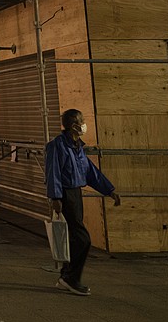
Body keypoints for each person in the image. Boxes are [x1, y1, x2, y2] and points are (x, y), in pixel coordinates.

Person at [44, 108, 121, 296]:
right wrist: (55, 197)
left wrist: (109, 190)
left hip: (76, 194)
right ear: (73, 125)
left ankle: (67, 274)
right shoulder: (57, 146)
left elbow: (90, 171)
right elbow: (53, 172)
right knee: (83, 239)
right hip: (65, 195)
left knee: (73, 238)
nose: (84, 123)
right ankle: (70, 278)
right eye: (82, 120)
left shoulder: (77, 147)